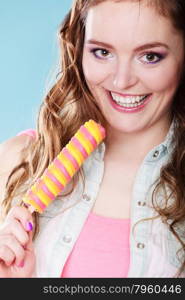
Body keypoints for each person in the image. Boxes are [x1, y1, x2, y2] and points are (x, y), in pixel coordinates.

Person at [0, 0, 185, 278]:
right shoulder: (18, 163)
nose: (122, 81)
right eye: (102, 52)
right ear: (79, 49)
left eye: (149, 56)